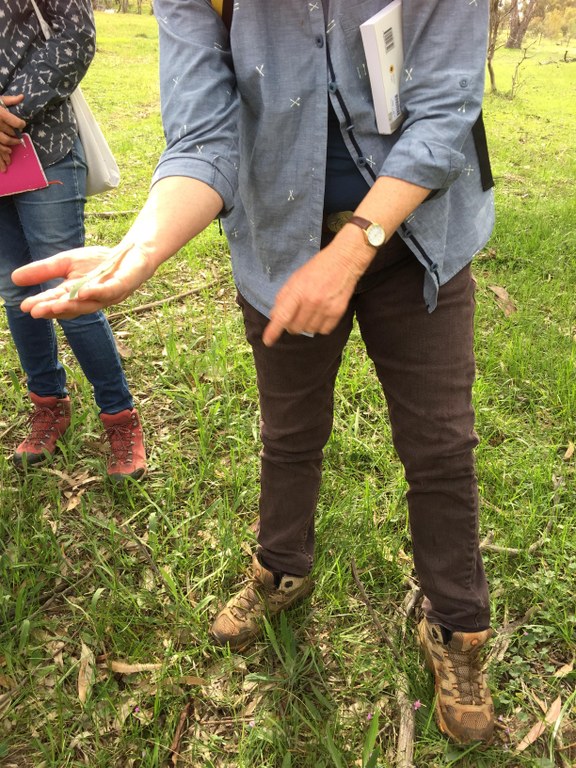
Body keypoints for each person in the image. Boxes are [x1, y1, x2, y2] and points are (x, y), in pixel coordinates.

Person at [13, 0, 496, 744]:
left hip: (419, 240)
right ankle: (281, 569)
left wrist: (354, 247)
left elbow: (447, 110)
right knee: (290, 432)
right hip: (282, 240)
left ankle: (458, 629)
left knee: (440, 447)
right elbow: (205, 139)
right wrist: (140, 248)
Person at [0, 0, 146, 482]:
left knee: (70, 291)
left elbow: (76, 36)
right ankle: (49, 405)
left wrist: (7, 113)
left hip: (44, 146)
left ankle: (119, 416)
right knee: (14, 289)